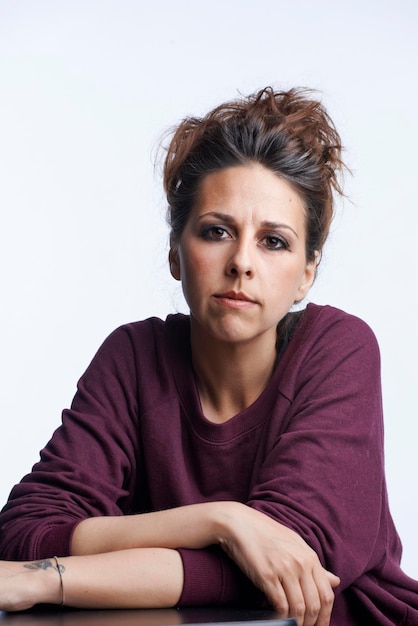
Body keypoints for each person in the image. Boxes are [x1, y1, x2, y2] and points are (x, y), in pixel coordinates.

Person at [0, 87, 417, 626]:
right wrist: (219, 521)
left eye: (274, 242)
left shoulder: (339, 350)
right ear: (176, 253)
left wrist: (49, 576)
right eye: (217, 232)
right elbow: (26, 527)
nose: (241, 262)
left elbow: (283, 570)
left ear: (306, 274)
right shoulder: (133, 357)